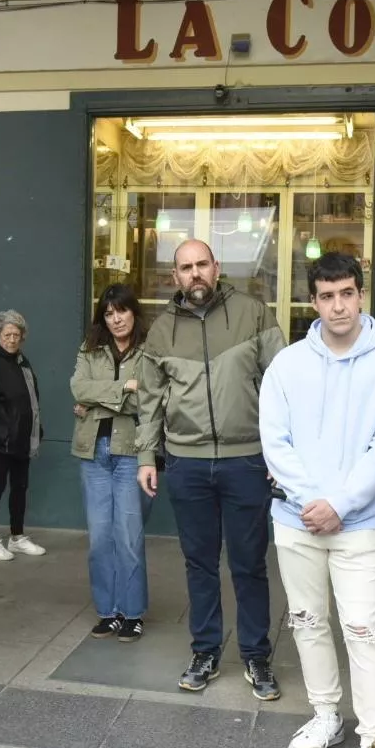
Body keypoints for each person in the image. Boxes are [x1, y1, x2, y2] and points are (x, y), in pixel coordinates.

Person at [259, 252, 375, 748]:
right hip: (296, 518)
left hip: (359, 523)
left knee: (363, 630)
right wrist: (309, 501)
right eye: (326, 296)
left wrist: (340, 505)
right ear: (313, 300)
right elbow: (275, 441)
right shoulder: (288, 365)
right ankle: (326, 715)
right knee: (306, 621)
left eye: (347, 293)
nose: (338, 305)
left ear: (360, 293)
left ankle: (374, 744)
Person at [137, 239, 286, 698]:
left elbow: (283, 386)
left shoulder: (253, 313)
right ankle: (205, 650)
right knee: (199, 564)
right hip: (187, 464)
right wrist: (147, 456)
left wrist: (281, 456)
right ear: (175, 276)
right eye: (186, 267)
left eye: (202, 264)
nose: (195, 273)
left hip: (247, 460)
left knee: (249, 564)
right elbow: (149, 400)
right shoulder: (161, 331)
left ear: (217, 267)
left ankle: (256, 655)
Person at [71, 283, 154, 642]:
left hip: (131, 452)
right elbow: (78, 388)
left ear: (133, 312)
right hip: (93, 451)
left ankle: (132, 612)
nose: (116, 318)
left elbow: (150, 401)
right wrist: (123, 390)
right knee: (100, 538)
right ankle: (108, 611)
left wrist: (99, 398)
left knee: (129, 536)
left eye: (121, 310)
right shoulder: (90, 348)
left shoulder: (149, 350)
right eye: (108, 313)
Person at [0, 309, 46, 561]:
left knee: (20, 488)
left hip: (22, 440)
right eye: (7, 334)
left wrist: (35, 431)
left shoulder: (22, 362)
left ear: (22, 337)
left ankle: (17, 537)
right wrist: (0, 433)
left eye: (16, 334)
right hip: (0, 442)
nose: (12, 339)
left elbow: (32, 399)